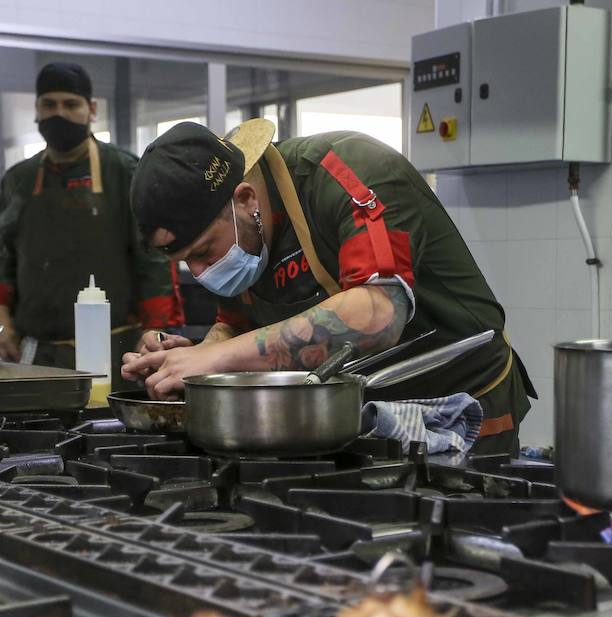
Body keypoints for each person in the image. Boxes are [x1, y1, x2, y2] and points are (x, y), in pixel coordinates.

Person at [120, 120, 534, 454]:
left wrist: (216, 360)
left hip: (458, 404)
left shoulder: (348, 172)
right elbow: (238, 326)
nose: (202, 271)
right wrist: (194, 364)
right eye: (186, 262)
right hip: (359, 415)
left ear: (245, 199)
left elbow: (378, 312)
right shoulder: (242, 233)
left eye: (205, 251)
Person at [0, 62, 182, 376]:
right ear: (36, 110)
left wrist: (156, 337)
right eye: (49, 105)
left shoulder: (126, 171)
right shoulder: (18, 179)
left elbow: (154, 260)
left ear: (91, 109)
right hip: (36, 355)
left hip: (118, 353)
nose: (58, 113)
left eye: (70, 104)